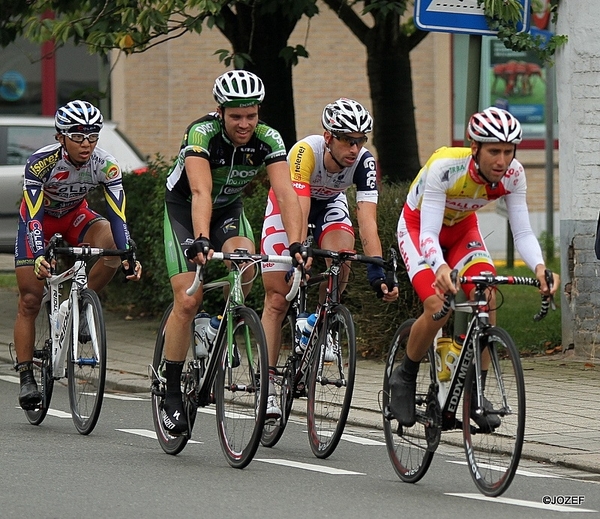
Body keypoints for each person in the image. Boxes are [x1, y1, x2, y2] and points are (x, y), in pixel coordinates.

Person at [390, 106, 560, 430]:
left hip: (462, 231)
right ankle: (405, 375)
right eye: (494, 151)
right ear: (475, 148)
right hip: (418, 228)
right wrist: (439, 267)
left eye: (508, 151)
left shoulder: (513, 174)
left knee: (487, 293)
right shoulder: (445, 167)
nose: (502, 160)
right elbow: (427, 232)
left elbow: (522, 231)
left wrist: (540, 267)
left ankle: (477, 392)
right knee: (437, 305)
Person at [160, 70, 306, 435]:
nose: (244, 124)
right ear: (220, 111)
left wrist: (296, 244)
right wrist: (200, 240)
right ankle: (172, 391)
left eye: (251, 115)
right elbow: (200, 193)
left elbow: (286, 194)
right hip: (184, 209)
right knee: (187, 299)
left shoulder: (268, 138)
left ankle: (219, 325)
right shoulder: (201, 135)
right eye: (236, 116)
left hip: (229, 210)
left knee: (246, 266)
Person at [261, 97, 399, 419]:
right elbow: (299, 207)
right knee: (277, 300)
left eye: (360, 141)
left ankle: (323, 324)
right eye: (347, 140)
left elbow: (367, 220)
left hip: (330, 204)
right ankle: (267, 385)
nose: (354, 148)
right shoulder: (304, 152)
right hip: (291, 208)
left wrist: (378, 271)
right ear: (329, 137)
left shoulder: (364, 162)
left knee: (343, 254)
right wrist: (299, 247)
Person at [14, 99, 142, 410]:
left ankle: (80, 303)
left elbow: (117, 216)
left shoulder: (105, 164)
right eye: (78, 137)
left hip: (75, 217)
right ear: (61, 137)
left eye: (93, 136)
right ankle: (27, 375)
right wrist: (41, 253)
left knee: (112, 244)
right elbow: (33, 216)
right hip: (39, 223)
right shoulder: (40, 163)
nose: (87, 145)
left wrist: (128, 252)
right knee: (30, 298)